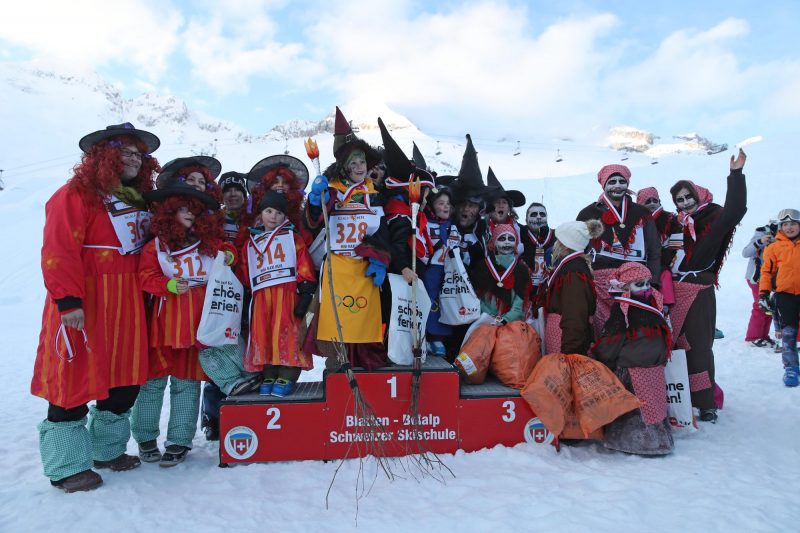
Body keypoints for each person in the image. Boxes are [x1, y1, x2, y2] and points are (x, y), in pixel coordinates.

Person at [32, 122, 160, 493]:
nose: (136, 159)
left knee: (125, 380)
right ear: (105, 157)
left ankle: (107, 451)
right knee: (74, 379)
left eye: (140, 154)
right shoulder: (75, 195)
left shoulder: (138, 201)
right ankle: (68, 467)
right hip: (88, 299)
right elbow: (58, 250)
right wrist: (68, 300)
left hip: (129, 301)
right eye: (128, 152)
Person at [133, 181, 227, 467]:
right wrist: (167, 285)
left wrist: (230, 255)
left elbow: (227, 253)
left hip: (196, 325)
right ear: (170, 213)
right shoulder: (156, 246)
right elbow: (145, 277)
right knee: (152, 384)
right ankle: (145, 438)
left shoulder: (207, 243)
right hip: (165, 325)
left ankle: (179, 440)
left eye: (194, 211)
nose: (190, 214)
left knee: (187, 385)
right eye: (183, 209)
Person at [666, 149, 748, 422]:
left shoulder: (712, 218)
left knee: (698, 347)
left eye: (689, 196)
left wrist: (735, 175)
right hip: (672, 291)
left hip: (699, 291)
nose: (685, 202)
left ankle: (705, 402)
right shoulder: (673, 224)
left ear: (699, 195)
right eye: (679, 199)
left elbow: (735, 211)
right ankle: (678, 397)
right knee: (673, 344)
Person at [305, 107, 387, 369]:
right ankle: (337, 368)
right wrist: (316, 200)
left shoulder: (373, 194)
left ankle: (366, 366)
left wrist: (381, 259)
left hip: (363, 268)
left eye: (362, 161)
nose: (359, 167)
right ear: (344, 166)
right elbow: (316, 219)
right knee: (337, 323)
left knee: (365, 321)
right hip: (337, 266)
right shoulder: (333, 190)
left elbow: (381, 234)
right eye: (353, 162)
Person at [238, 191, 317, 396]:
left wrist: (306, 291)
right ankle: (269, 373)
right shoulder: (251, 243)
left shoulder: (293, 238)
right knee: (264, 334)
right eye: (269, 211)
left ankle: (287, 373)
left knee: (287, 335)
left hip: (287, 295)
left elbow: (304, 264)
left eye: (279, 213)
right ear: (261, 213)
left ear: (285, 217)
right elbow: (246, 273)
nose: (273, 216)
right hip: (262, 298)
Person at [594, 262, 673, 455]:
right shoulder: (654, 304)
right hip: (655, 364)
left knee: (634, 406)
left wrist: (601, 358)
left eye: (647, 283)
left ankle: (633, 442)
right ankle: (659, 440)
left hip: (630, 365)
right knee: (652, 402)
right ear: (626, 286)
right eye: (640, 284)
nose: (646, 288)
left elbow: (612, 342)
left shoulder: (623, 308)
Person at [577, 165, 661, 338]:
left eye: (622, 181)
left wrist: (654, 281)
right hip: (602, 282)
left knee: (634, 325)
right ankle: (606, 361)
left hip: (636, 279)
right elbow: (579, 249)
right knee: (604, 325)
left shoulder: (642, 213)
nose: (617, 185)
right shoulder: (588, 213)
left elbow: (654, 249)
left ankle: (629, 363)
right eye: (612, 182)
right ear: (603, 185)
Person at [543, 220, 603, 355]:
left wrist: (570, 353)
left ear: (564, 245)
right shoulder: (571, 267)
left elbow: (575, 314)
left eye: (558, 240)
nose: (555, 243)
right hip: (563, 337)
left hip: (565, 341)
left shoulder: (573, 273)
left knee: (563, 375)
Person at [759, 209, 800, 386]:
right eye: (785, 224)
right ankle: (791, 368)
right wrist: (764, 294)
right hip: (785, 296)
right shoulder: (773, 247)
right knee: (788, 334)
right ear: (780, 226)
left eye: (793, 224)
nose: (789, 227)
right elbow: (766, 272)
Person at [468, 223, 530, 325]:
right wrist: (488, 317)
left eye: (511, 239)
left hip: (511, 324)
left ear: (516, 242)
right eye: (502, 239)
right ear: (494, 242)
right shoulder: (483, 266)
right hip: (485, 321)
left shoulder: (522, 269)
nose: (506, 242)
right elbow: (477, 297)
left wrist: (505, 320)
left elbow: (520, 302)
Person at [742, 222, 778, 347]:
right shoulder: (761, 233)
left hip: (771, 279)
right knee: (760, 305)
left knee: (769, 307)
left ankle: (763, 336)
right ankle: (753, 337)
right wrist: (760, 242)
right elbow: (746, 253)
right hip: (756, 277)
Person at [521, 202, 556, 311]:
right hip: (524, 293)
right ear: (526, 220)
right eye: (534, 214)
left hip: (547, 293)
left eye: (542, 214)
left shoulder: (557, 236)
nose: (538, 217)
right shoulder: (519, 234)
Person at [484, 167, 526, 255]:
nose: (501, 205)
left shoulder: (521, 230)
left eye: (504, 202)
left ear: (509, 208)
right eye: (497, 202)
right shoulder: (481, 230)